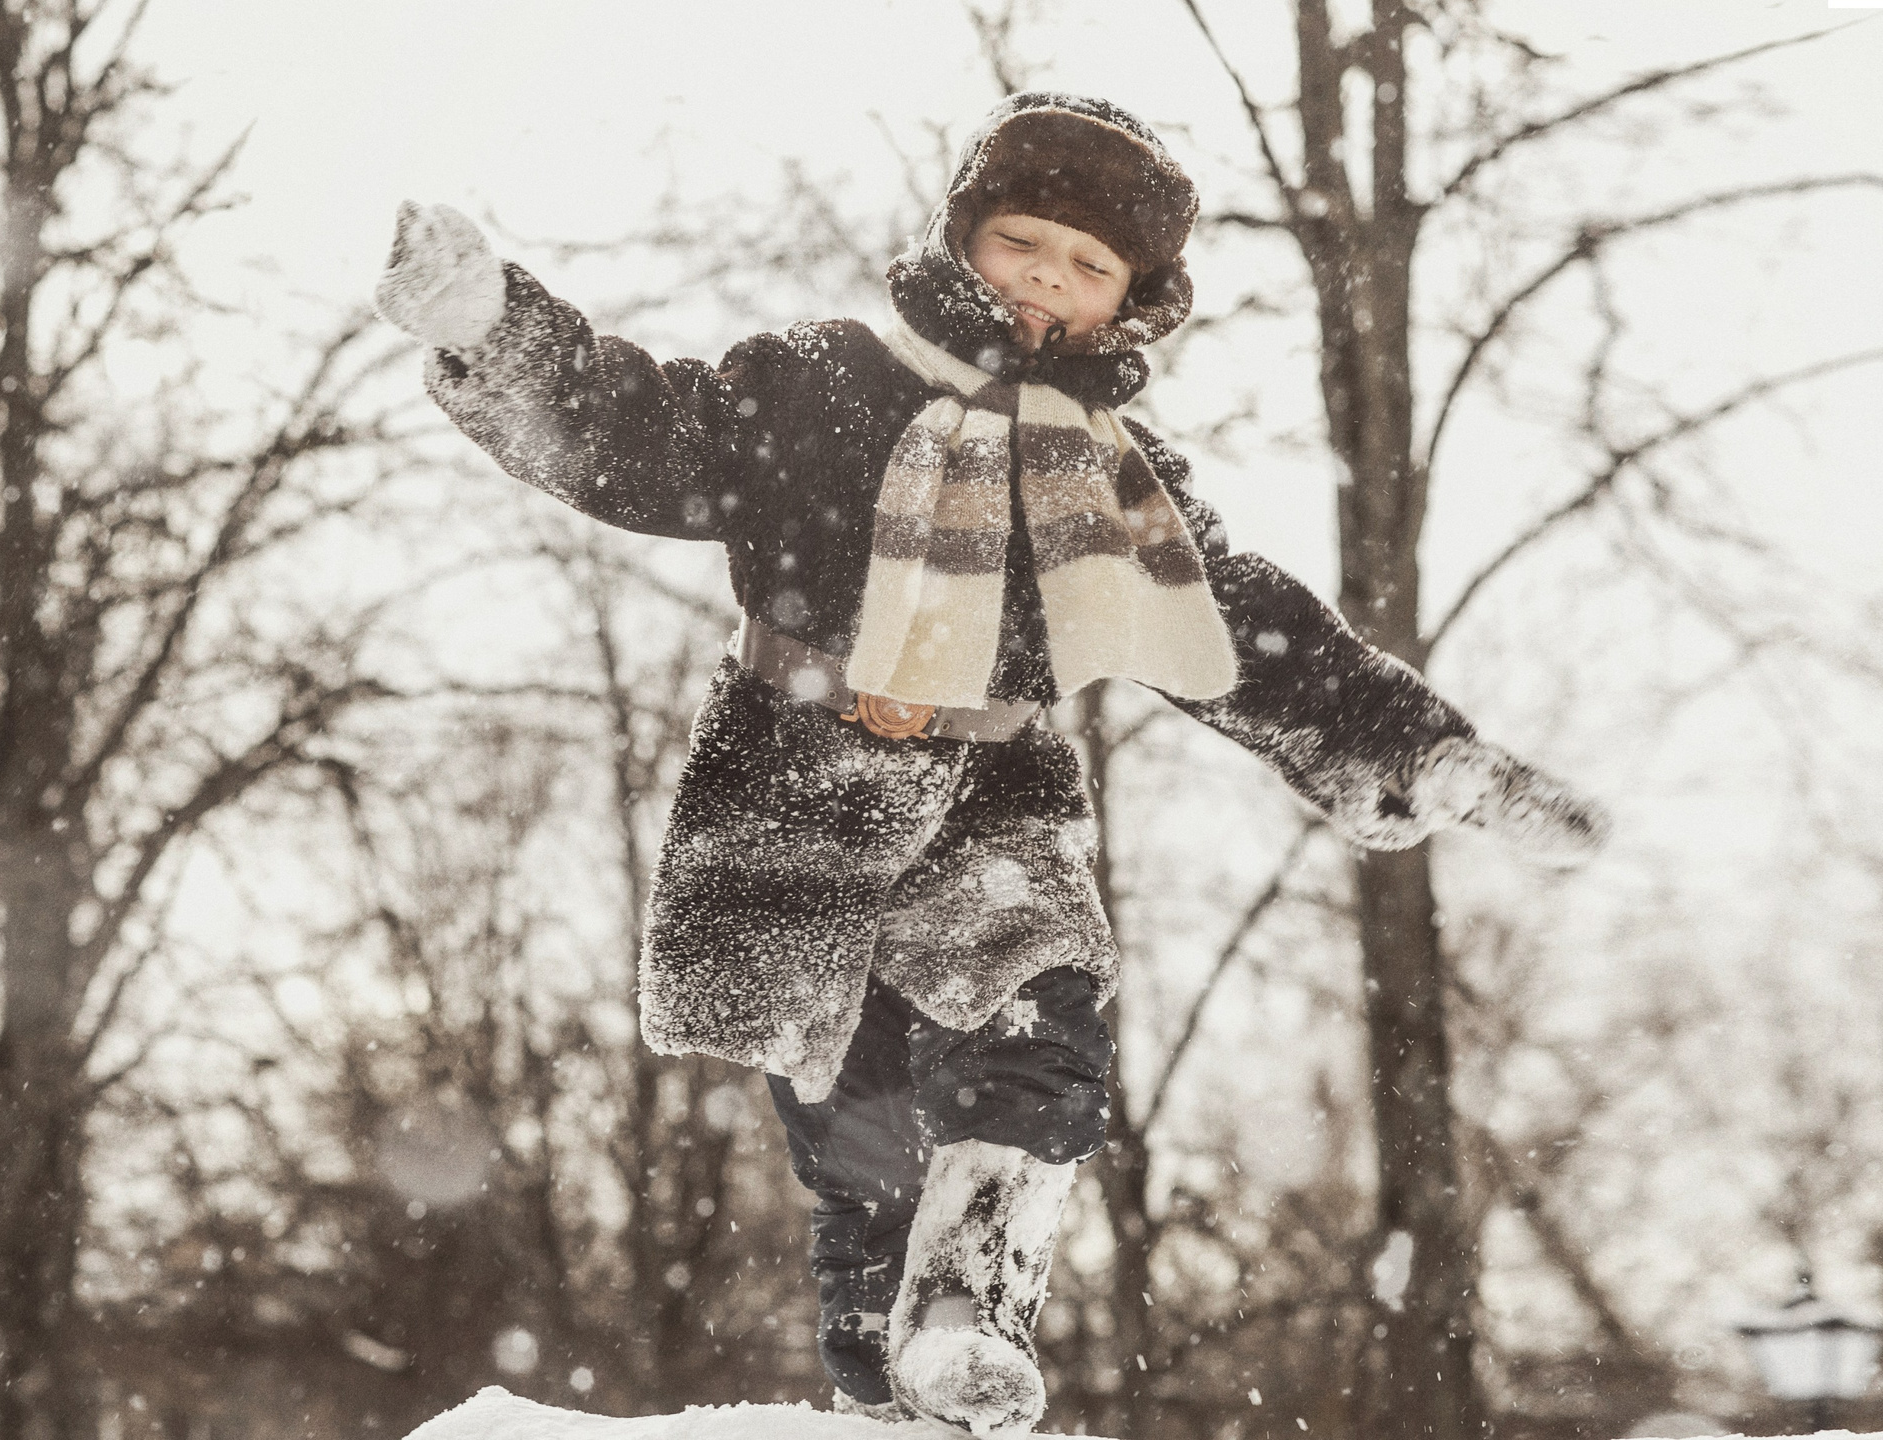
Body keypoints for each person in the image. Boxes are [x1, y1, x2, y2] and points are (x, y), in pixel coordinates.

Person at [373, 91, 1602, 1435]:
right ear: (968, 240)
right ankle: (900, 1400)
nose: (1048, 286)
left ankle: (970, 1299)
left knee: (1041, 1021)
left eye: (1089, 270)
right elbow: (641, 438)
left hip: (993, 803)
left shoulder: (1109, 474)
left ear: (1130, 305)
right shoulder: (819, 381)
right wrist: (495, 331)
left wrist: (1437, 760)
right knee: (861, 1159)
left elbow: (1239, 630)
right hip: (797, 796)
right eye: (1026, 246)